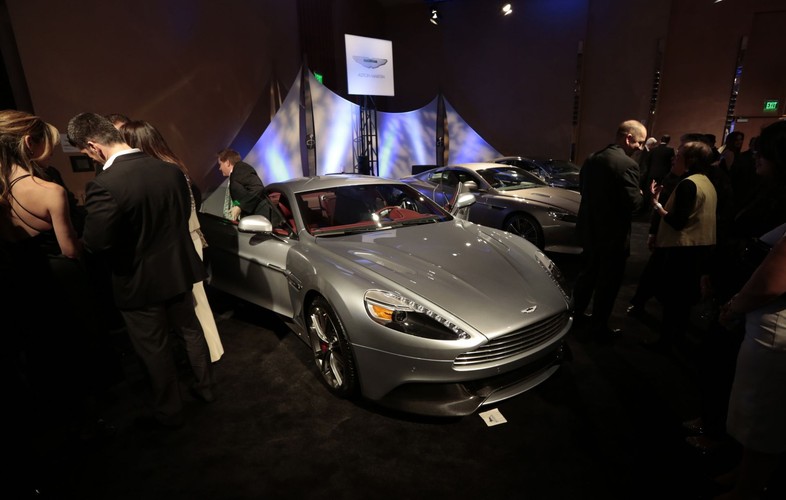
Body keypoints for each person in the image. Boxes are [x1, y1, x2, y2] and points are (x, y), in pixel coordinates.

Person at [67, 112, 215, 429]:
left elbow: (96, 243)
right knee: (191, 331)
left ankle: (169, 409)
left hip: (137, 280)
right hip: (178, 270)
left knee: (154, 347)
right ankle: (206, 388)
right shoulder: (171, 171)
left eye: (85, 152)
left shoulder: (104, 185)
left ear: (93, 146)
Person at [0, 110, 117, 494]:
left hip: (21, 280)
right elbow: (70, 249)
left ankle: (57, 423)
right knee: (79, 346)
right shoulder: (48, 190)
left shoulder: (2, 189)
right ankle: (90, 424)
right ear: (29, 144)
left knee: (42, 352)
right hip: (61, 279)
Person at [120, 119, 224, 362]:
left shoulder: (167, 169)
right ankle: (205, 353)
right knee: (192, 302)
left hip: (184, 240)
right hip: (183, 239)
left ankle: (210, 352)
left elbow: (182, 213)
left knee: (195, 301)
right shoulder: (169, 165)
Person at [716, 220, 786, 499]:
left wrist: (734, 306)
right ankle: (746, 475)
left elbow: (771, 282)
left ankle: (746, 489)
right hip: (770, 329)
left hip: (774, 336)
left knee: (761, 420)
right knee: (760, 417)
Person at [572, 119, 646, 341]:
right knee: (608, 283)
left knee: (586, 276)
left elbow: (582, 188)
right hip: (612, 237)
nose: (641, 148)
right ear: (628, 138)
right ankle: (599, 327)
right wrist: (644, 196)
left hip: (590, 231)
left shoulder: (592, 158)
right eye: (639, 143)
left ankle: (576, 317)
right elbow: (635, 206)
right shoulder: (627, 165)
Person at [644, 139, 717, 354]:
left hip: (681, 250)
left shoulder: (688, 184)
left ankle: (665, 343)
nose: (674, 158)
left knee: (673, 301)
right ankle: (677, 340)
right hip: (699, 249)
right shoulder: (706, 182)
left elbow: (677, 221)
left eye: (679, 154)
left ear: (690, 160)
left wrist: (656, 205)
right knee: (684, 303)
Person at [217, 148, 281, 225]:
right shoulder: (235, 173)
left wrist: (240, 207)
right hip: (256, 220)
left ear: (227, 162)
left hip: (265, 220)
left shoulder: (241, 168)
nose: (220, 168)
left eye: (220, 164)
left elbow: (257, 188)